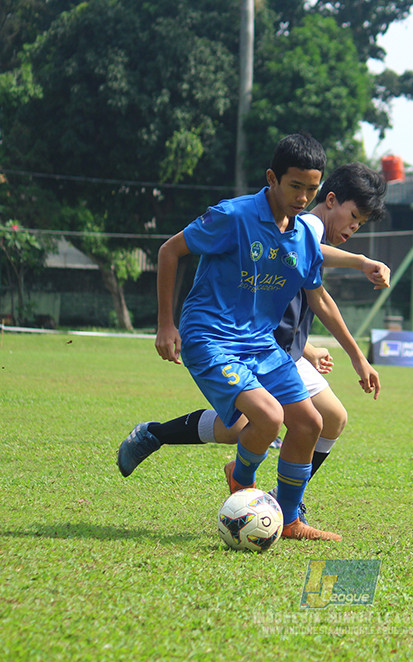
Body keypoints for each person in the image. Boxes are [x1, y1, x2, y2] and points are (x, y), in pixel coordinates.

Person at [121, 134, 380, 542]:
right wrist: (166, 324)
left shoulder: (302, 237)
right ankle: (242, 484)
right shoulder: (234, 216)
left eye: (311, 189)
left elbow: (320, 299)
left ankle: (290, 519)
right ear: (272, 178)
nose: (302, 198)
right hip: (210, 337)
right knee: (268, 417)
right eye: (295, 187)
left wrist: (357, 357)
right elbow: (170, 251)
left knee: (311, 422)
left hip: (260, 343)